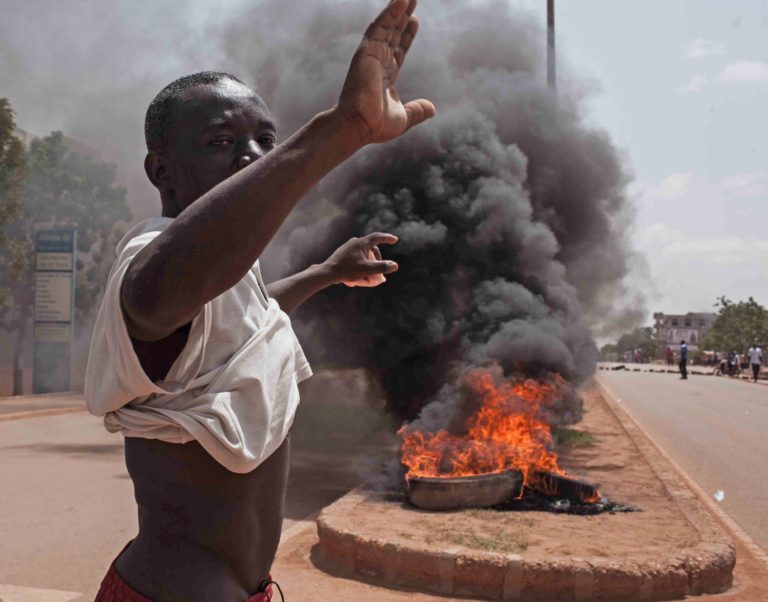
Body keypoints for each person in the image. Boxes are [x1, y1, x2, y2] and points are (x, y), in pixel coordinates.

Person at [84, 1, 435, 600]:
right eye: (222, 140)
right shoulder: (151, 255)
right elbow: (151, 302)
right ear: (161, 169)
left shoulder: (224, 279)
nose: (252, 155)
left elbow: (248, 322)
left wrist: (325, 272)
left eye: (265, 141)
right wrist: (342, 129)